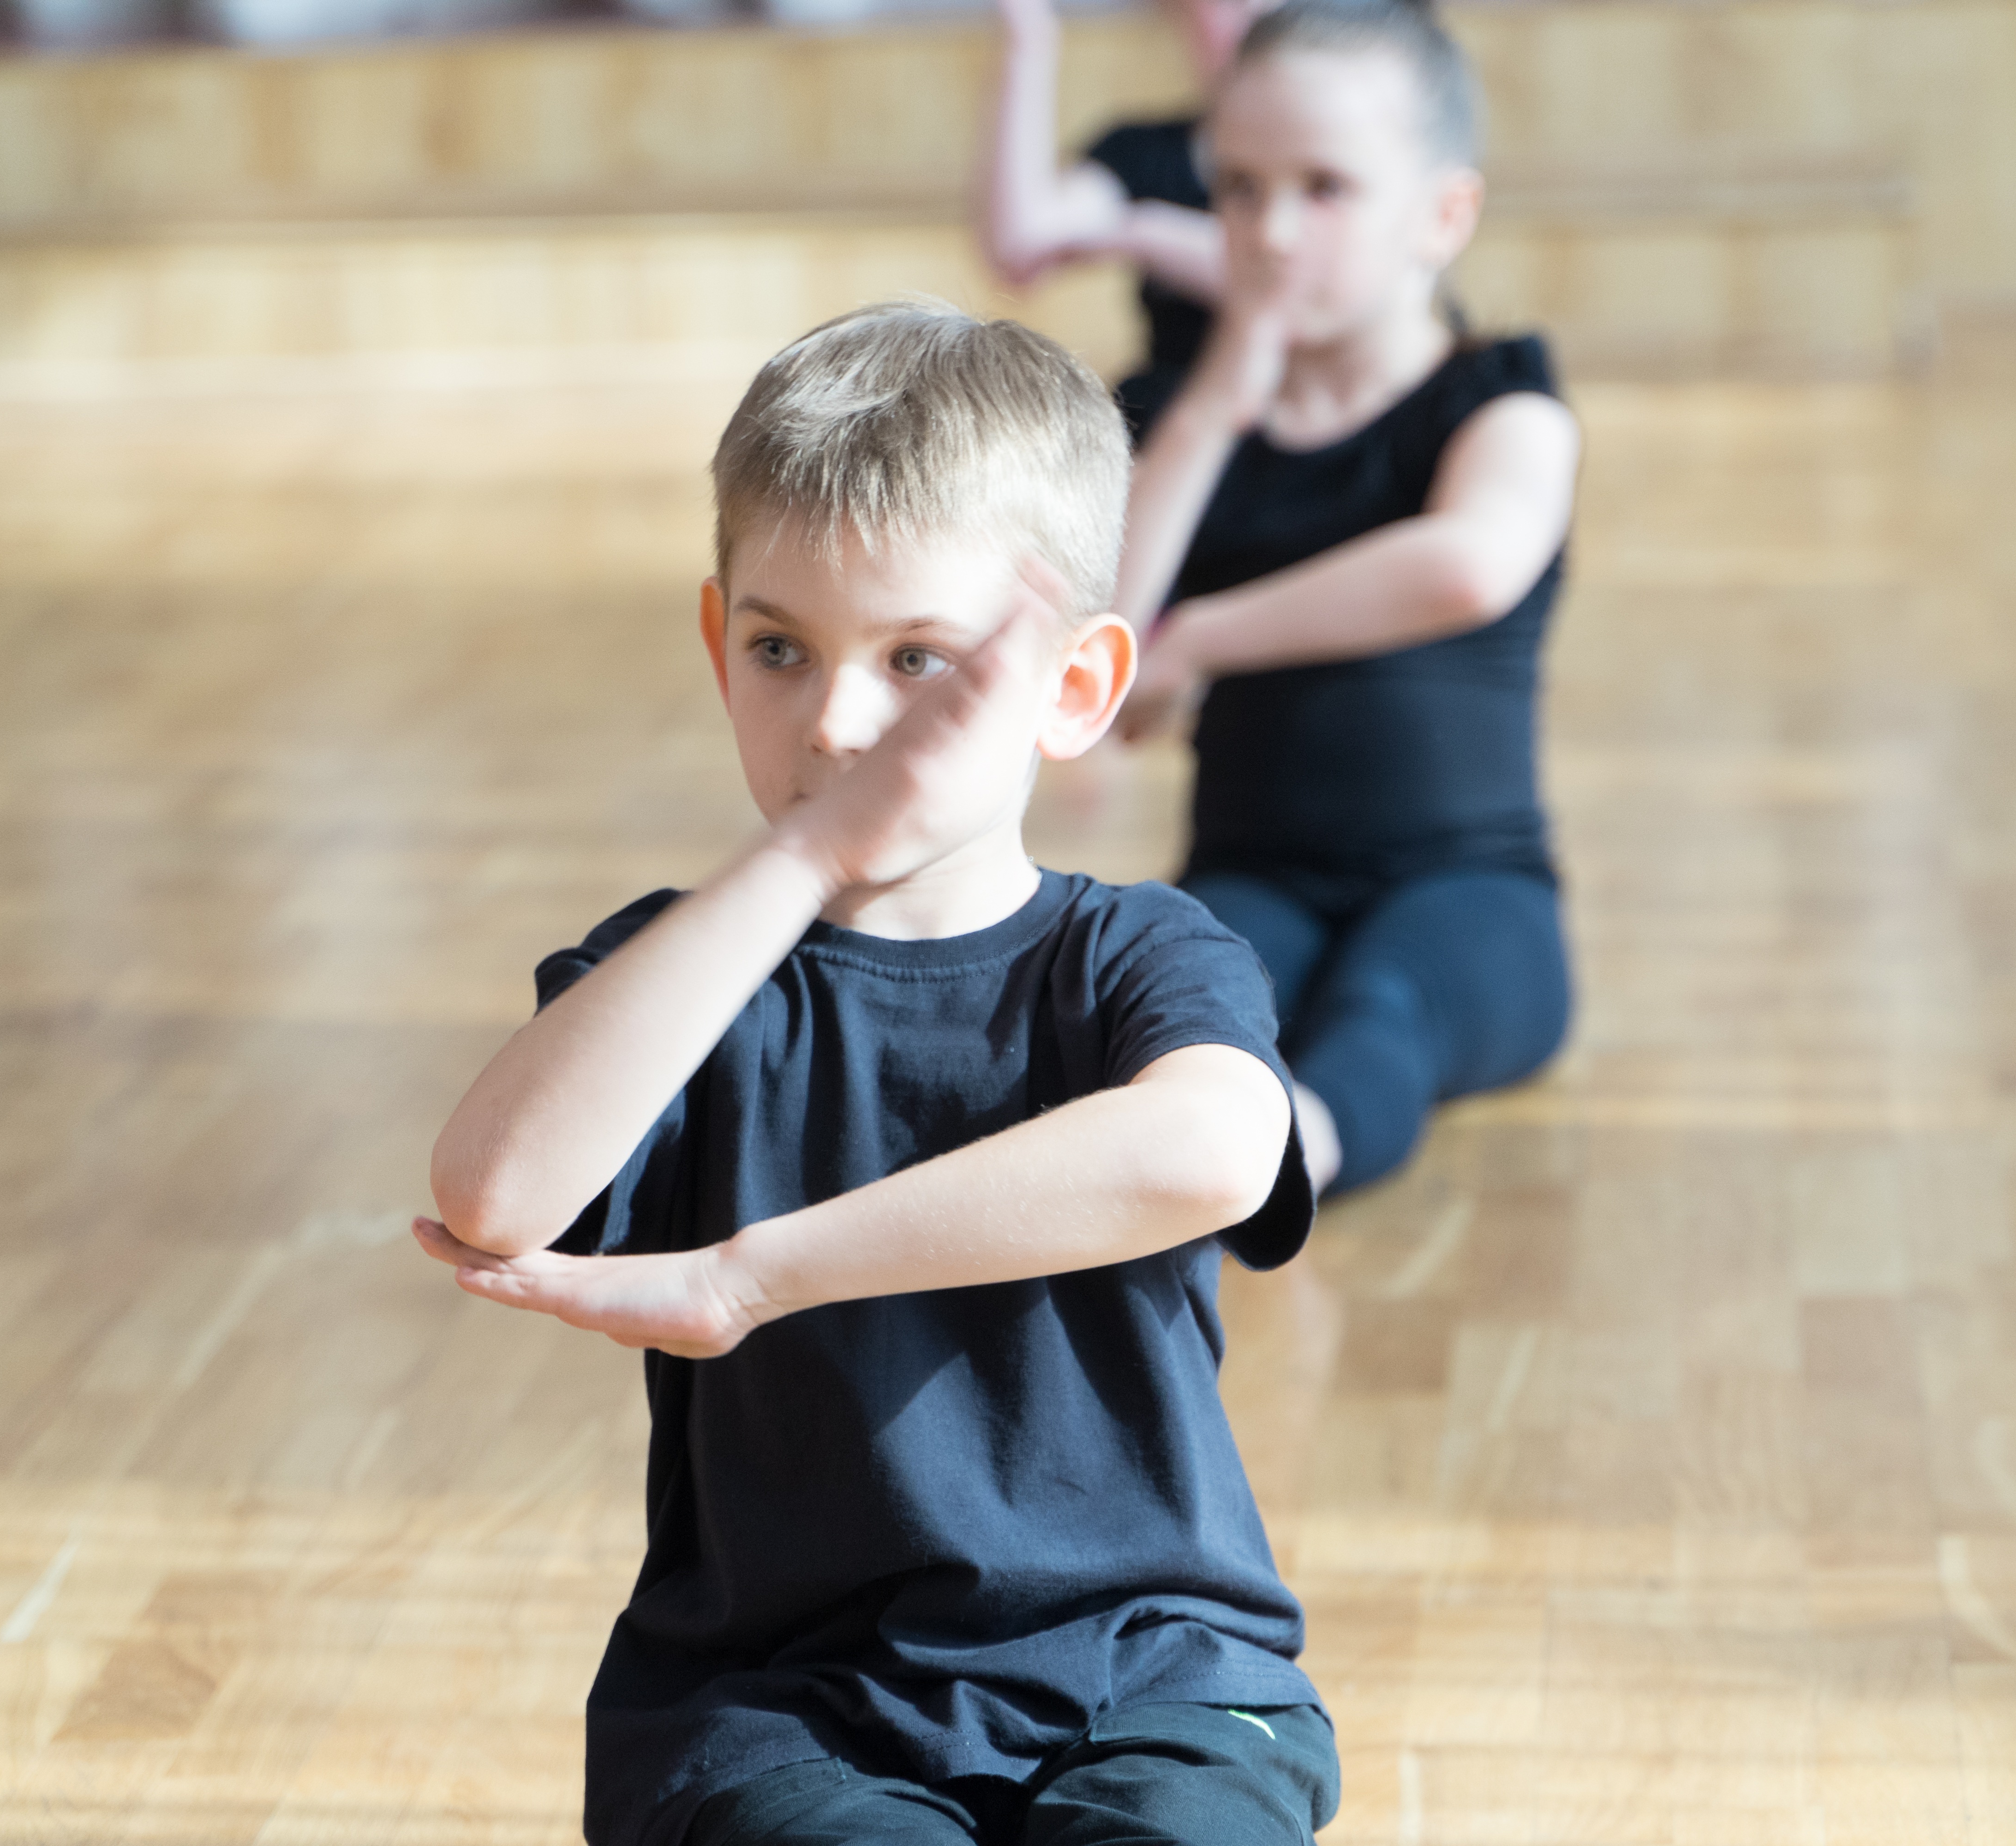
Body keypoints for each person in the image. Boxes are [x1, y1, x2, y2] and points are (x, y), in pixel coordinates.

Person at [412, 303, 1338, 1846]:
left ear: (1076, 685)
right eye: (781, 649)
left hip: (1159, 1681)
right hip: (777, 1714)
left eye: (919, 661)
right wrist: (804, 857)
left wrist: (753, 1277)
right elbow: (494, 1195)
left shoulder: (1140, 959)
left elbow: (1216, 1151)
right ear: (718, 646)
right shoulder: (679, 973)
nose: (838, 722)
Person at [1110, 0, 1581, 1198]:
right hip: (1254, 875)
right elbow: (1103, 662)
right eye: (1238, 188)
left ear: (1443, 214)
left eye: (1325, 189)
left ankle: (1285, 1165)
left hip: (1470, 891)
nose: (1271, 232)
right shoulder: (1174, 426)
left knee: (1385, 1006)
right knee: (1172, 1014)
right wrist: (1217, 401)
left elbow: (1468, 561)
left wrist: (1210, 635)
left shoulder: (1498, 402)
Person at [979, 0, 1267, 432]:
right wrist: (1029, 40)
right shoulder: (1143, 150)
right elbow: (1021, 243)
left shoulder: (1349, 157)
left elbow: (1297, 286)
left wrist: (1145, 231)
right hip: (1167, 423)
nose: (1242, 20)